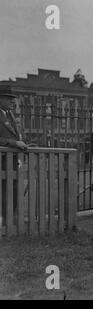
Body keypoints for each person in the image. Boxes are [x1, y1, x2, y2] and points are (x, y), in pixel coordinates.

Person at [0, 85, 27, 229]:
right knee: (5, 190)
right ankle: (6, 220)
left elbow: (15, 134)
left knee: (14, 188)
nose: (12, 102)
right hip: (2, 159)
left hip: (13, 160)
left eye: (12, 99)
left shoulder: (9, 114)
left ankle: (10, 219)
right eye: (8, 98)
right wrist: (14, 142)